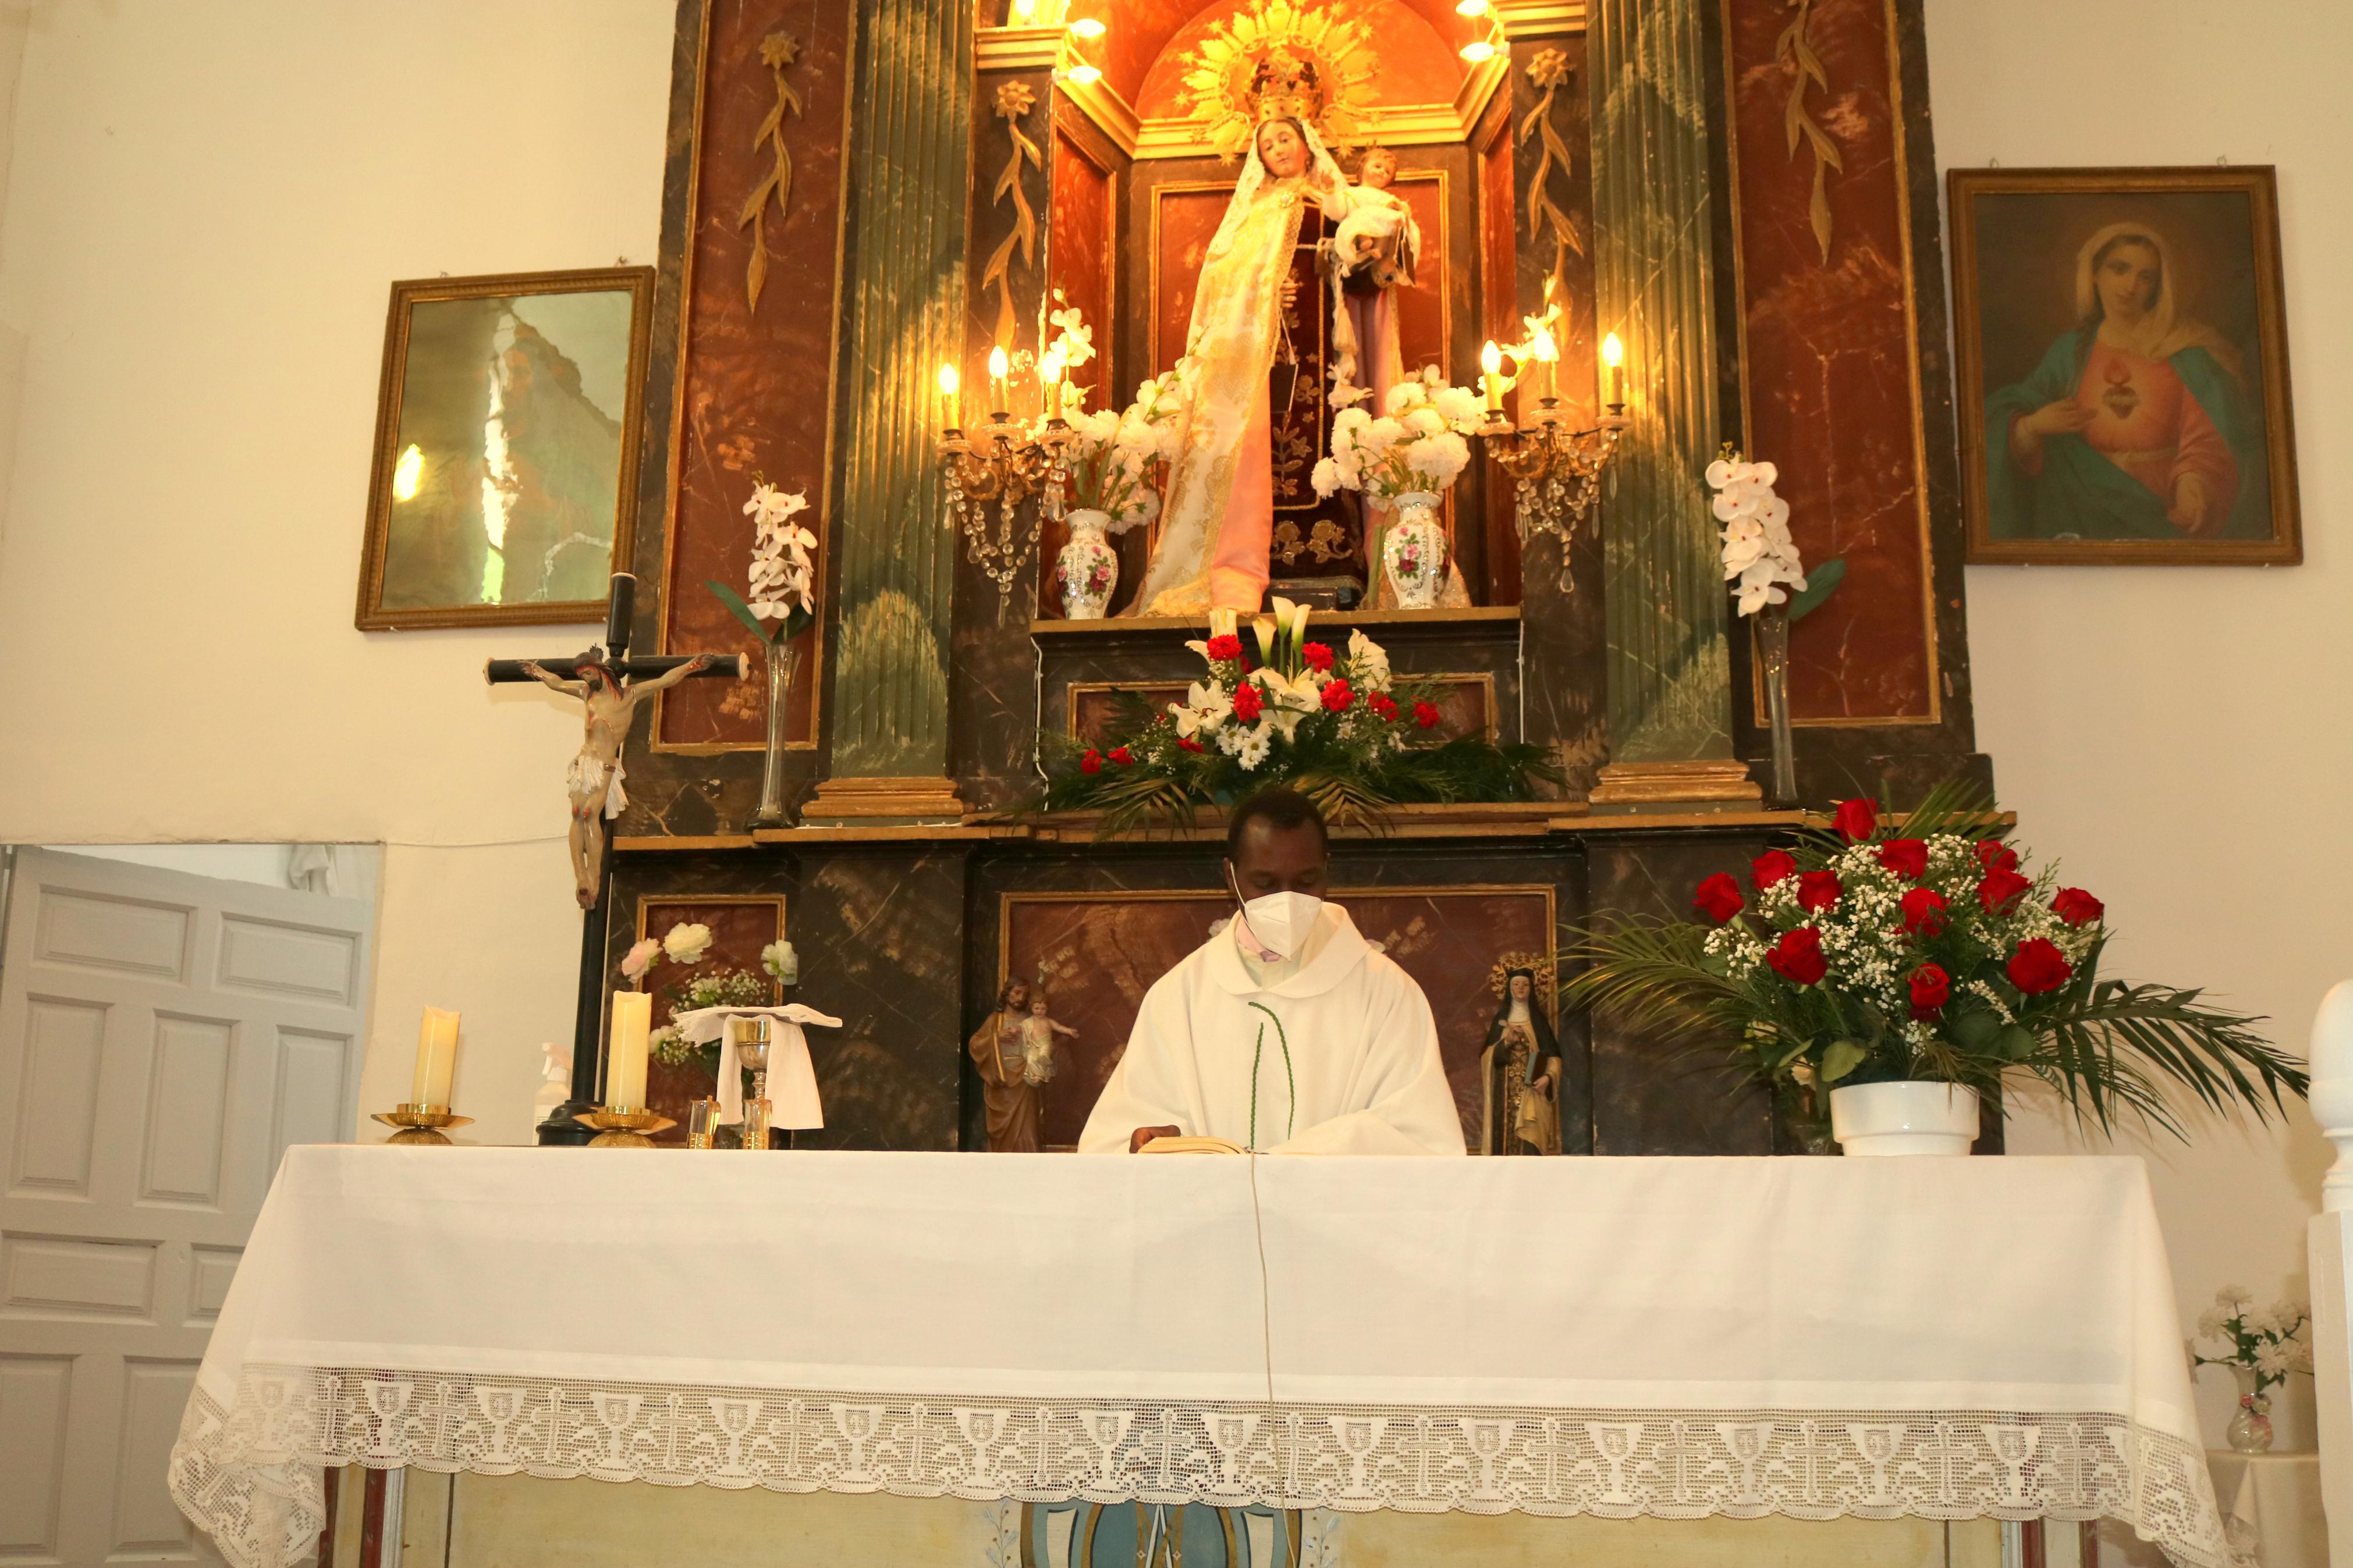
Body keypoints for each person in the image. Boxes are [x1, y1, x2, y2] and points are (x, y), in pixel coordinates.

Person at [1078, 788, 1465, 1155]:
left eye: (1305, 881)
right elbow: (1110, 1143)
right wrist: (1148, 1142)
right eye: (1265, 883)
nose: (1286, 899)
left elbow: (1423, 1145)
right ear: (1230, 876)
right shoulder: (1179, 996)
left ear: (1326, 870)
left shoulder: (1386, 994)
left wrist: (1302, 1159)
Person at [1128, 116, 1407, 616]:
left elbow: (1368, 270)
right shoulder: (1250, 215)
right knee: (1261, 443)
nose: (1278, 148)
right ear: (1258, 158)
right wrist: (1264, 292)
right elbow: (1223, 286)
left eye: (1285, 139)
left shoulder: (1338, 203)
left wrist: (1352, 263)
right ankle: (1244, 559)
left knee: (1328, 442)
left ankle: (1338, 560)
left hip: (1324, 346)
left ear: (1307, 145)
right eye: (1267, 144)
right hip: (1263, 352)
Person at [1985, 221, 2267, 542]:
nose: (2130, 286)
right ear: (2095, 273)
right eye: (2119, 269)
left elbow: (2207, 439)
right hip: (2079, 509)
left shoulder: (2184, 352)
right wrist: (2031, 427)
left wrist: (2194, 482)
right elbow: (2008, 418)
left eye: (2145, 277)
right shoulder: (2070, 352)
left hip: (2160, 510)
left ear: (2157, 287)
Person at [1481, 968, 1562, 1155]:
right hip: (1504, 1091)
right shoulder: (1501, 1021)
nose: (1521, 988)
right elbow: (1487, 1058)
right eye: (1516, 984)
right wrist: (1506, 1042)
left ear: (1531, 989)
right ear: (1509, 988)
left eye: (1525, 985)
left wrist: (1549, 1078)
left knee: (1529, 1145)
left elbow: (1554, 1056)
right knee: (1503, 1138)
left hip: (1532, 1091)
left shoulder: (1539, 1022)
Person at [967, 979, 1041, 1152]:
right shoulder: (995, 1020)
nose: (1020, 998)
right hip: (1001, 1080)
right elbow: (974, 1044)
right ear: (1007, 994)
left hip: (1025, 1081)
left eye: (1025, 994)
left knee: (1027, 1129)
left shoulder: (1031, 1020)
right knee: (1002, 1136)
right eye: (1017, 993)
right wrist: (997, 1037)